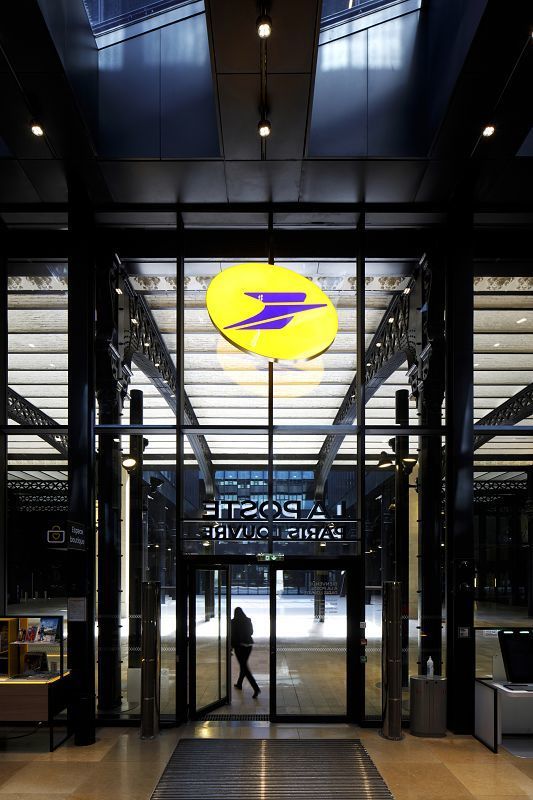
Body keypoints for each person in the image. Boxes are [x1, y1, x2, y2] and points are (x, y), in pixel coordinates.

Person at [231, 606, 260, 698]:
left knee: (245, 668)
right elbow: (251, 632)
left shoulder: (233, 622)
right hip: (248, 646)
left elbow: (232, 636)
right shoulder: (248, 620)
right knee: (243, 666)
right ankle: (239, 684)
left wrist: (230, 647)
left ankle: (256, 688)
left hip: (239, 647)